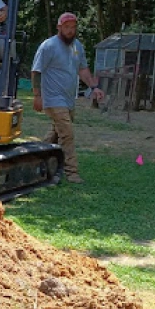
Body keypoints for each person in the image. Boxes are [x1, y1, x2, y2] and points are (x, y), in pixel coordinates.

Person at [31, 12, 105, 184]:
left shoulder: (77, 46)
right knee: (67, 134)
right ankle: (71, 172)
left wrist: (94, 87)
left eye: (73, 28)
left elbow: (83, 69)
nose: (70, 31)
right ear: (59, 27)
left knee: (56, 134)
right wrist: (37, 96)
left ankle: (35, 159)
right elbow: (36, 71)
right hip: (53, 98)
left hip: (69, 99)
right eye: (67, 27)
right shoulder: (48, 46)